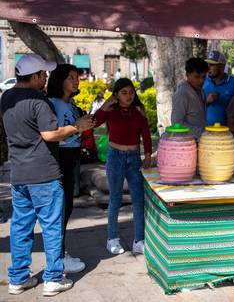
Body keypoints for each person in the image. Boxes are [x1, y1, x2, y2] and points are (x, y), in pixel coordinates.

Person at [3, 54, 93, 296]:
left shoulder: (6, 97)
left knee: (21, 227)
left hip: (19, 173)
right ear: (33, 77)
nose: (46, 78)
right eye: (43, 74)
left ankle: (18, 279)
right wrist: (77, 126)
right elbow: (50, 134)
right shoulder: (39, 101)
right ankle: (53, 278)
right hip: (44, 173)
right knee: (52, 227)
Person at [94, 78, 152, 255]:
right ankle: (112, 239)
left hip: (134, 158)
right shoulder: (110, 110)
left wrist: (148, 154)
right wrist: (105, 106)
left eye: (131, 92)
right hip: (115, 157)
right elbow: (94, 122)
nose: (129, 96)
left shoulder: (138, 111)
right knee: (115, 199)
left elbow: (146, 133)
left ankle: (139, 240)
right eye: (124, 92)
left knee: (138, 199)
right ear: (116, 95)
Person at [46, 64, 86, 274]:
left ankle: (60, 253)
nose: (76, 80)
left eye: (77, 77)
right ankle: (58, 258)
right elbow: (53, 134)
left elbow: (78, 126)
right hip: (59, 159)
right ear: (59, 80)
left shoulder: (69, 104)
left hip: (72, 159)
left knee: (66, 208)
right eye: (71, 77)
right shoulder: (52, 104)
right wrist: (77, 126)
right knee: (59, 210)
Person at [203, 50, 234, 126]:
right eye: (207, 64)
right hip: (205, 131)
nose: (208, 68)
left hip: (227, 132)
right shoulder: (202, 81)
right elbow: (193, 107)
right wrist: (207, 101)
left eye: (211, 65)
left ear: (222, 66)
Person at [171, 58, 208, 138]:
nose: (201, 81)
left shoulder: (202, 92)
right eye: (197, 77)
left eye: (204, 77)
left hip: (200, 142)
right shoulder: (182, 94)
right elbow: (177, 124)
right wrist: (203, 132)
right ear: (187, 75)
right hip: (186, 144)